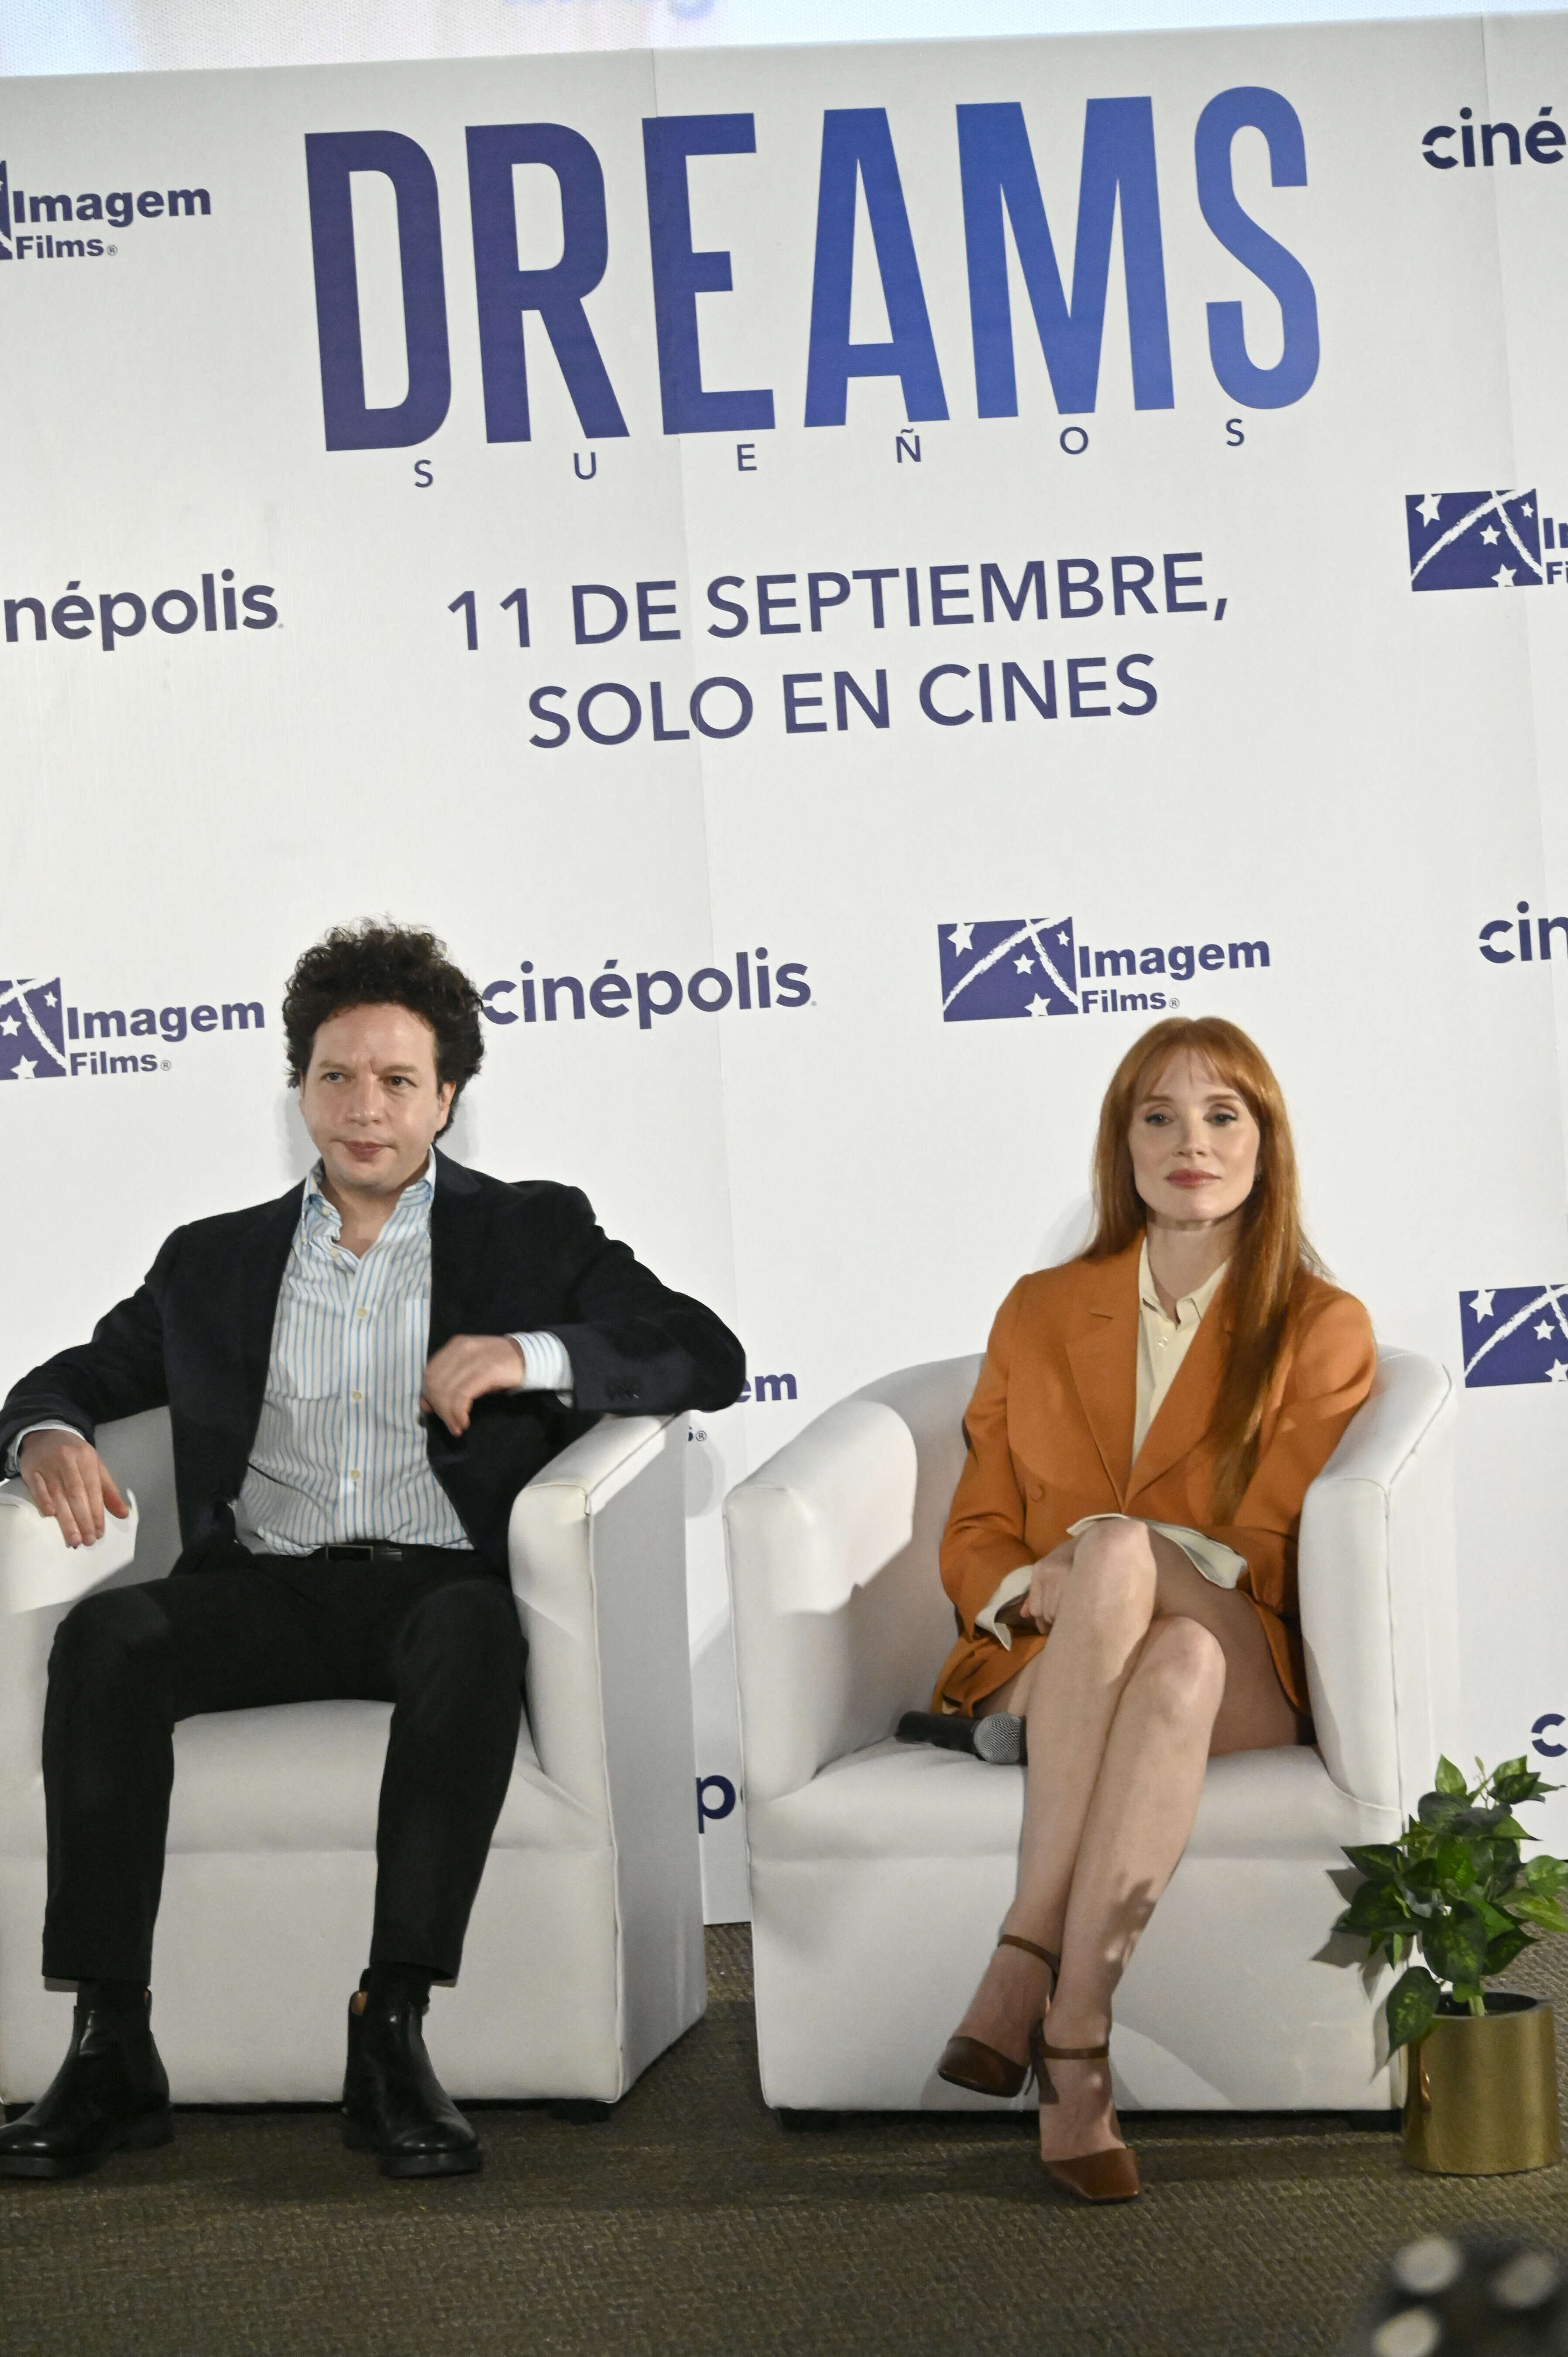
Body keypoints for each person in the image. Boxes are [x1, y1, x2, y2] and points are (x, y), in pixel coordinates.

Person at [0, 921, 744, 2183]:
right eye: (337, 1076)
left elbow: (703, 1352)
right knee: (109, 1635)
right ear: (298, 1088)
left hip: (434, 1585)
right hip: (264, 1587)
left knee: (476, 1630)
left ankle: (389, 2028)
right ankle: (110, 2044)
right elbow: (79, 1373)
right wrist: (46, 1433)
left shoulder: (530, 1234)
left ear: (446, 1098)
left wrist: (530, 1355)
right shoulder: (213, 1259)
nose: (365, 1108)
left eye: (399, 1080)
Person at [926, 1017, 1375, 2203]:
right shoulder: (1040, 1309)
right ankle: (1075, 2036)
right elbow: (976, 1531)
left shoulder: (1320, 1325)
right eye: (1159, 1117)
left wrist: (1103, 1553)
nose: (1192, 1144)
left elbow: (1273, 1548)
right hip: (1052, 1656)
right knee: (1168, 1664)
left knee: (1140, 1572)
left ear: (1266, 1144)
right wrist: (1040, 1583)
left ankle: (1023, 1950)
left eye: (1223, 1116)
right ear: (1120, 1146)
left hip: (1247, 1655)